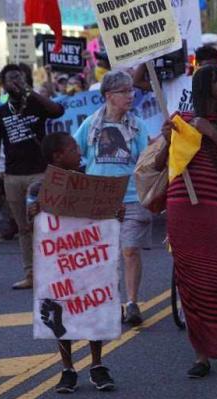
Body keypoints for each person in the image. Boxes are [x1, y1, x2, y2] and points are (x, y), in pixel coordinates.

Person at [158, 65, 217, 378]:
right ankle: (201, 357)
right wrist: (167, 137)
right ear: (203, 87)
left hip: (213, 205)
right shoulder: (181, 120)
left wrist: (211, 134)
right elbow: (160, 163)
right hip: (181, 204)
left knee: (216, 282)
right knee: (189, 283)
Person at [27, 132, 115, 393]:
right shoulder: (38, 188)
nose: (80, 153)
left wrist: (115, 213)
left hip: (86, 256)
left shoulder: (87, 182)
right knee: (61, 311)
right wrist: (34, 212)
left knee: (93, 308)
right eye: (74, 149)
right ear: (58, 156)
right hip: (57, 261)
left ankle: (97, 366)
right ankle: (68, 369)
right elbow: (31, 224)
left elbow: (103, 216)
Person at [73, 71, 151, 325]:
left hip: (131, 198)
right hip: (100, 199)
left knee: (129, 251)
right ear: (109, 96)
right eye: (124, 92)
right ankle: (111, 303)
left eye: (132, 91)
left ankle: (132, 303)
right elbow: (74, 155)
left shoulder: (138, 126)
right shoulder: (90, 125)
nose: (131, 96)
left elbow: (146, 161)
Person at [0, 64, 64, 290]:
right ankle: (31, 274)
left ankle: (53, 272)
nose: (14, 83)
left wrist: (29, 91)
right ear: (3, 84)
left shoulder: (36, 106)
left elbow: (58, 111)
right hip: (13, 177)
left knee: (44, 225)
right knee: (24, 228)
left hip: (39, 174)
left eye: (18, 78)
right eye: (10, 79)